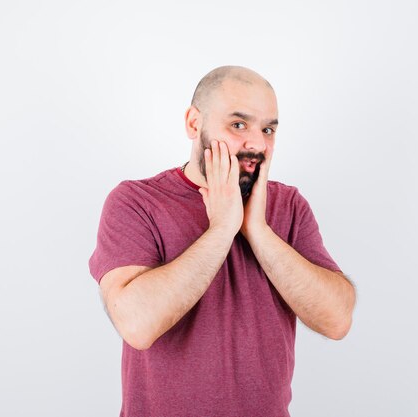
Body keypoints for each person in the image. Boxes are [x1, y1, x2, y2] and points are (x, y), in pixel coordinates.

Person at [89, 65, 356, 417]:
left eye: (268, 129)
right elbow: (137, 324)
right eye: (238, 125)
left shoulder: (289, 206)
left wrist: (257, 230)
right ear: (194, 123)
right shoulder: (136, 201)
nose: (257, 144)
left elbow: (337, 319)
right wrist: (221, 230)